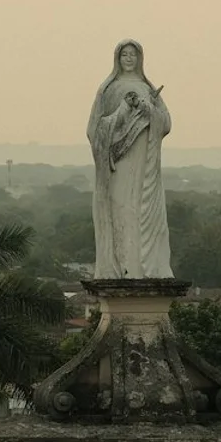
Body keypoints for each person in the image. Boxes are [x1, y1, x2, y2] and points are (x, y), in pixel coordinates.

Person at [87, 39, 173, 278]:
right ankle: (123, 266)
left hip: (145, 158)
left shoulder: (147, 87)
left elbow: (165, 123)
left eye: (132, 55)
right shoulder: (108, 90)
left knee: (143, 209)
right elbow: (96, 129)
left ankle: (147, 267)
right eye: (124, 54)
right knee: (122, 207)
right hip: (119, 162)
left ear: (140, 58)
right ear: (117, 58)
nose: (128, 58)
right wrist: (124, 110)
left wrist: (149, 111)